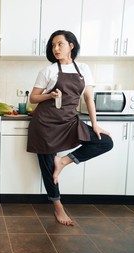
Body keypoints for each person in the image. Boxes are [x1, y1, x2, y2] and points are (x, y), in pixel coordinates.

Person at [27, 30, 113, 226]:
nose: (55, 49)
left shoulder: (83, 69)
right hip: (45, 123)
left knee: (105, 142)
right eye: (52, 46)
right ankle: (58, 207)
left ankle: (63, 161)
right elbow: (33, 98)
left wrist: (95, 125)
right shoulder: (48, 71)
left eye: (60, 44)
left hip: (68, 121)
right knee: (47, 167)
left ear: (71, 45)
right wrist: (49, 96)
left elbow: (88, 98)